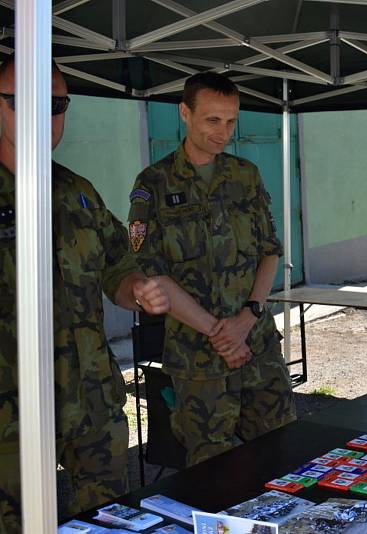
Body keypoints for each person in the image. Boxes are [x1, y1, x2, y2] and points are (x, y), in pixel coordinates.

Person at [0, 56, 171, 530]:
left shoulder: (76, 191)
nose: (42, 117)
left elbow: (117, 265)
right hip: (9, 414)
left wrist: (136, 289)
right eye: (22, 103)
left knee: (109, 519)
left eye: (55, 105)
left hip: (89, 400)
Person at [127, 72, 296, 467]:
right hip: (197, 358)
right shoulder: (152, 183)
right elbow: (152, 271)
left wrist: (247, 318)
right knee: (214, 470)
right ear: (185, 113)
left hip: (257, 345)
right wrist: (220, 334)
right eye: (212, 120)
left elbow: (270, 251)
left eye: (232, 121)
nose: (224, 132)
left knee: (285, 453)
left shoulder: (244, 176)